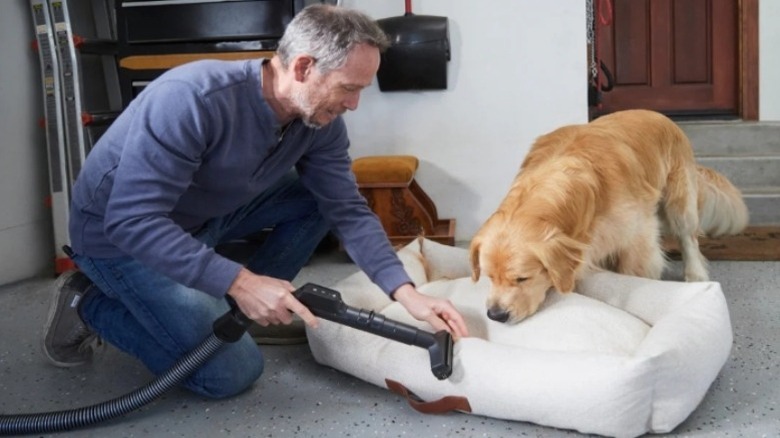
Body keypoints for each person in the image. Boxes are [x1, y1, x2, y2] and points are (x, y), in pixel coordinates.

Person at [41, 4, 469, 399]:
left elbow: (347, 208)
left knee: (315, 197)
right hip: (119, 241)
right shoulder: (192, 99)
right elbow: (131, 221)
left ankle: (241, 309)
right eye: (348, 88)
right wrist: (241, 281)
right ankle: (86, 304)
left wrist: (406, 292)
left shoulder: (319, 122)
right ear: (303, 67)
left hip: (198, 216)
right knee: (228, 373)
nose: (354, 105)